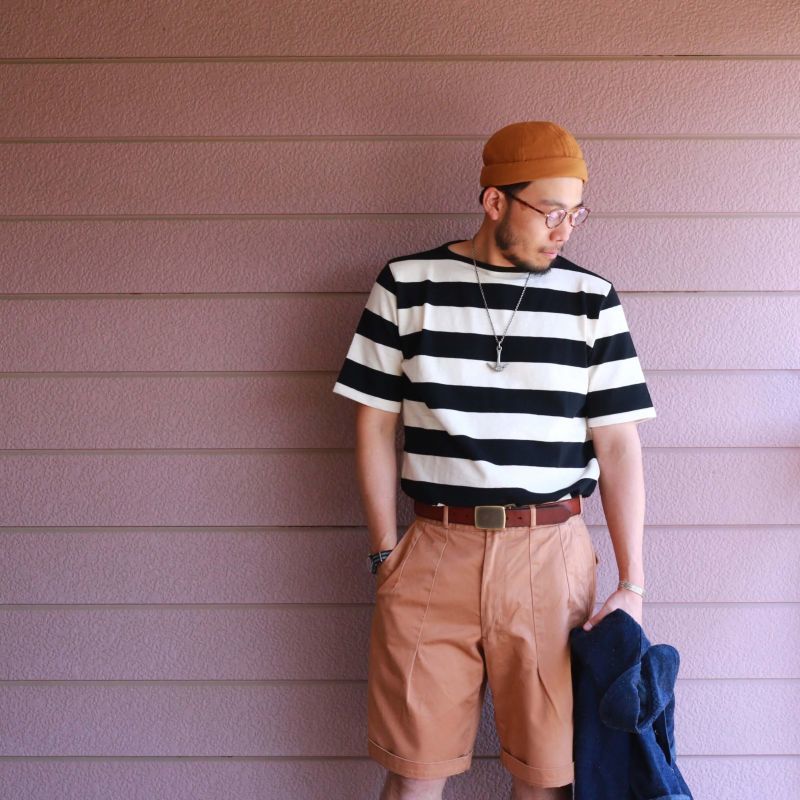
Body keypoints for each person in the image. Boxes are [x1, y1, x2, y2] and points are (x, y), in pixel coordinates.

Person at [332, 121, 656, 800]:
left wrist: (632, 581)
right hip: (433, 552)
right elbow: (373, 424)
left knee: (548, 779)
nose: (565, 230)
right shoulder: (407, 285)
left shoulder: (592, 301)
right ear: (495, 201)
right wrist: (385, 551)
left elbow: (619, 444)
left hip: (550, 556)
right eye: (550, 211)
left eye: (576, 213)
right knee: (413, 774)